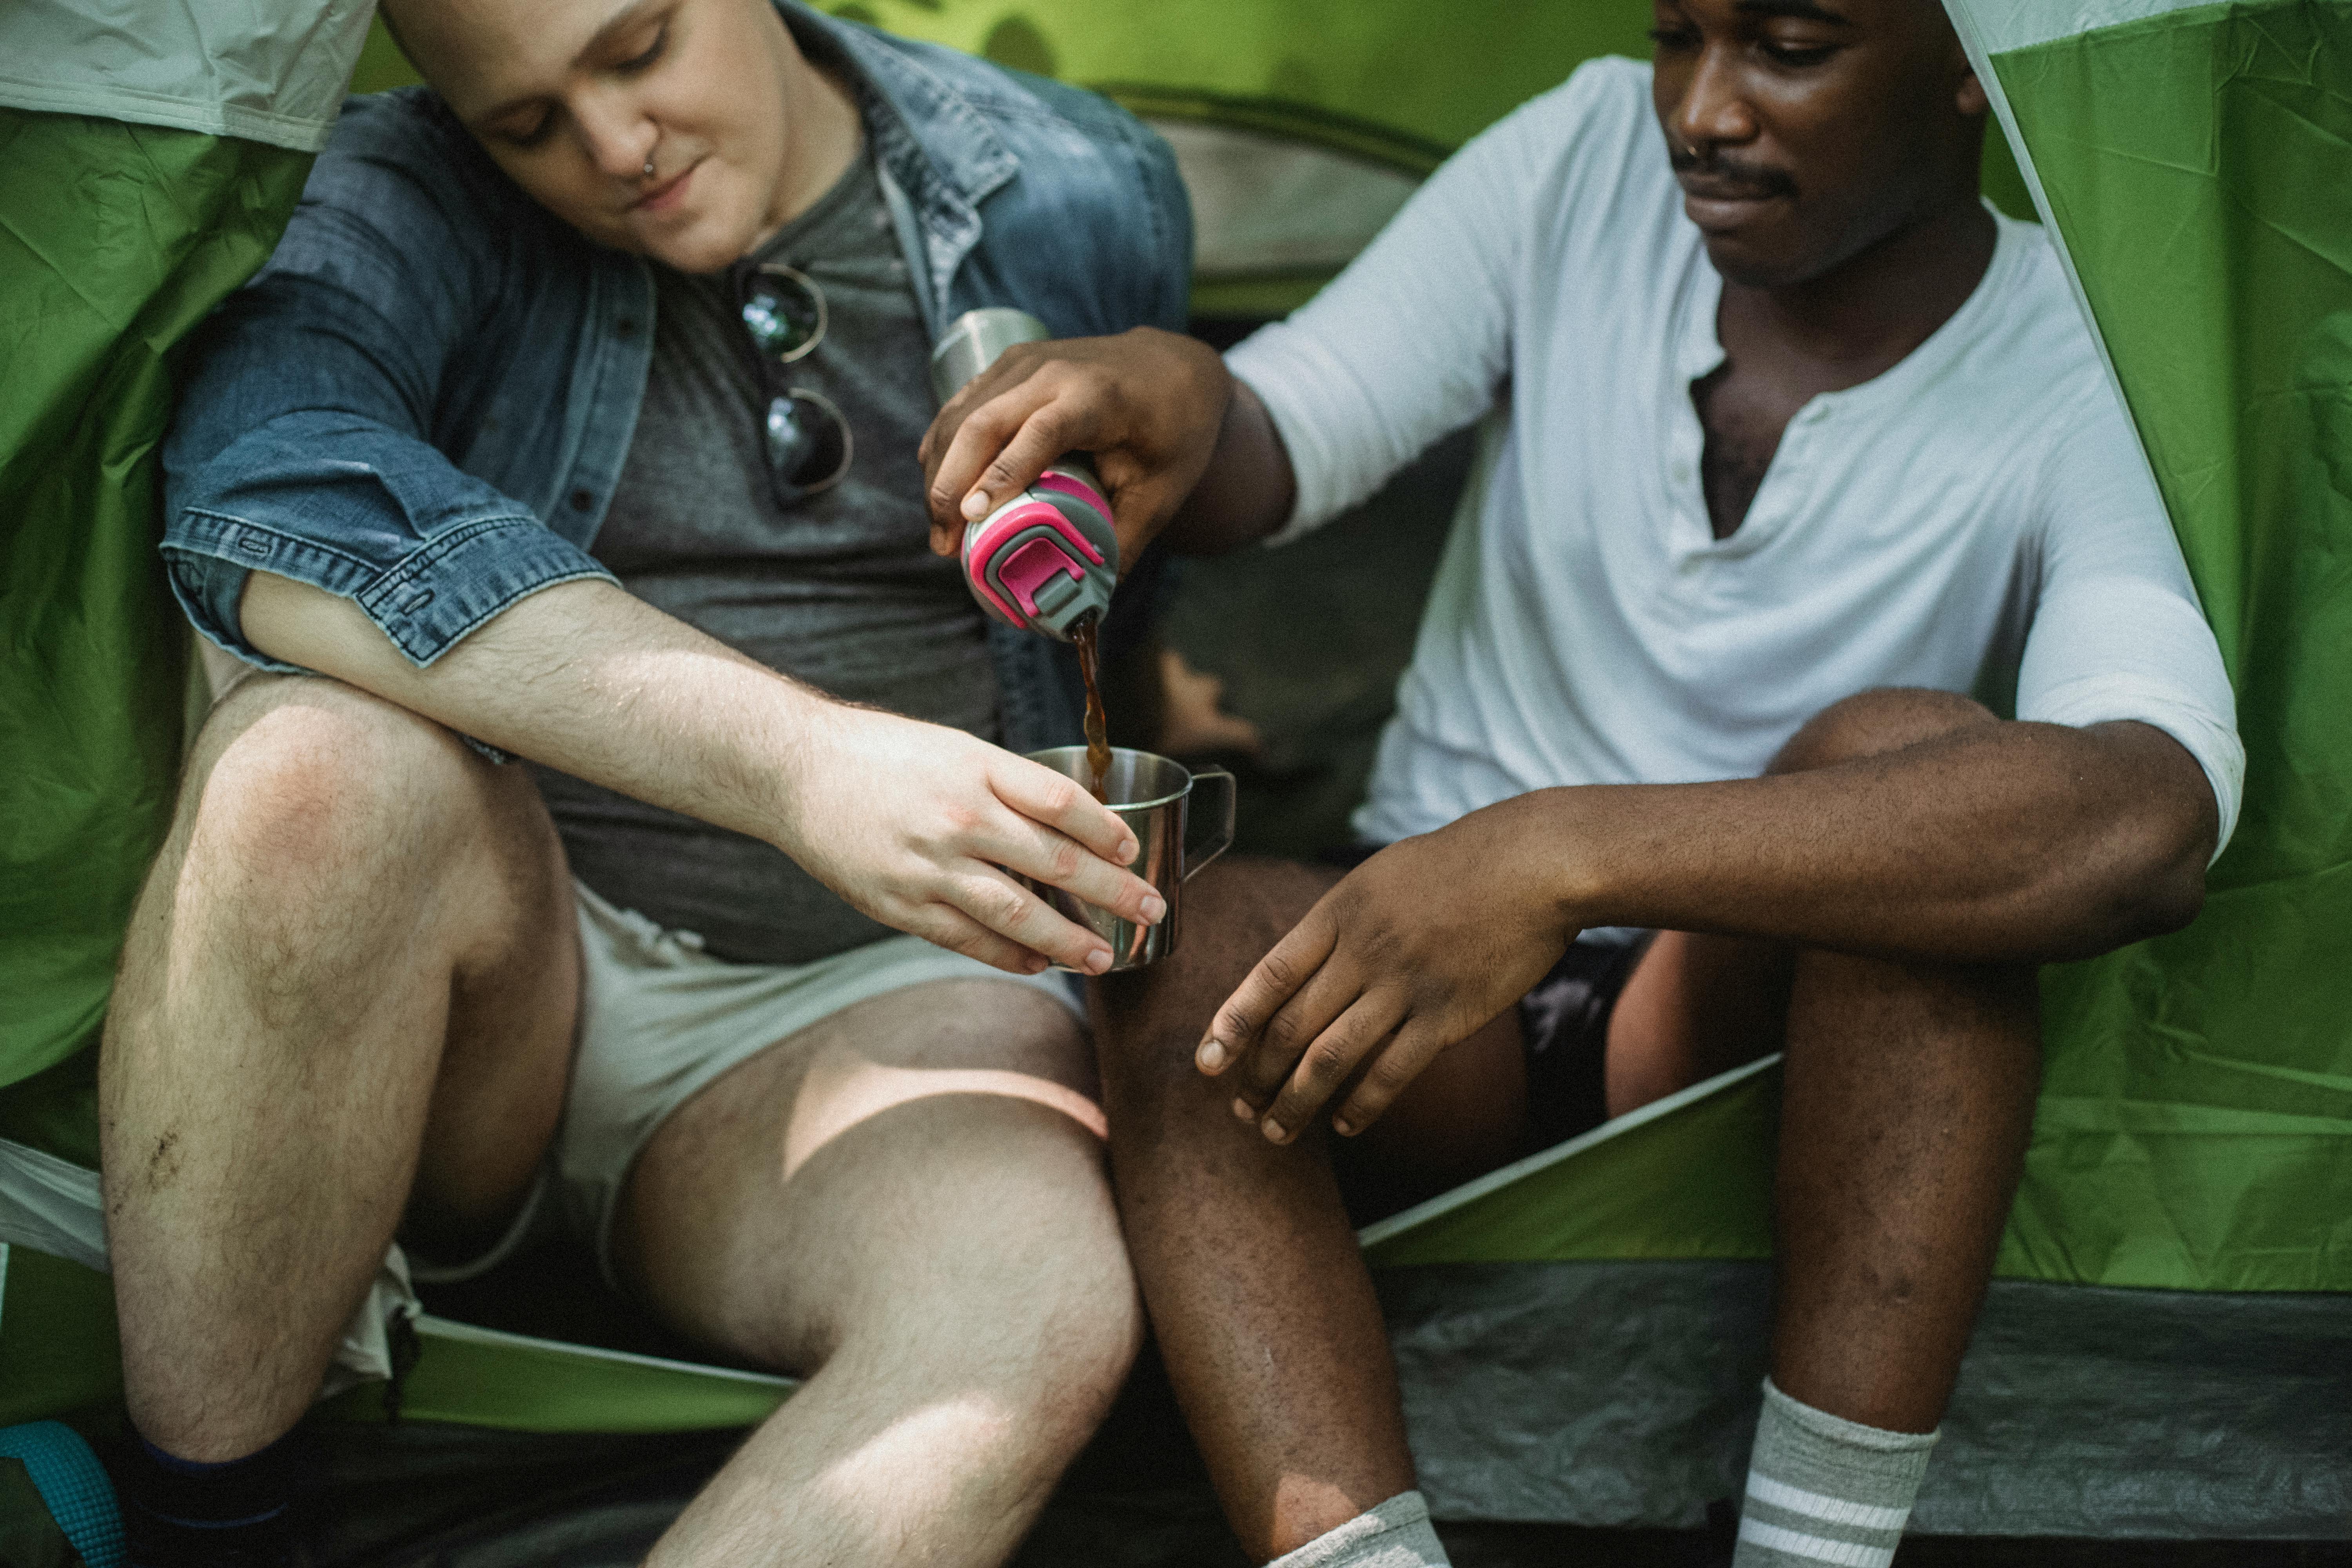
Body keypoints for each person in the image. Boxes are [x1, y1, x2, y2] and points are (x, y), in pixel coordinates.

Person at [920, 0, 2243, 1563]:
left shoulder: (2078, 356)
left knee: (1905, 772)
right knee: (1185, 943)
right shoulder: (1582, 157)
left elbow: (2145, 819)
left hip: (1735, 1034)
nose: (1703, 108)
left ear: (1975, 60)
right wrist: (1184, 392)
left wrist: (1556, 859)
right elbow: (1293, 436)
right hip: (1423, 997)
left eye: (1790, 48)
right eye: (1680, 35)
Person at [104, 0, 1190, 1563]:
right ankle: (207, 1530)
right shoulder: (406, 191)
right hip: (505, 978)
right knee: (314, 769)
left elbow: (1141, 572)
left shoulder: (1075, 186)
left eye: (639, 51)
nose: (616, 149)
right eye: (528, 125)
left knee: (1030, 1290)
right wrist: (802, 764)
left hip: (866, 1009)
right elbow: (257, 484)